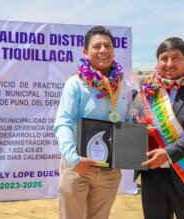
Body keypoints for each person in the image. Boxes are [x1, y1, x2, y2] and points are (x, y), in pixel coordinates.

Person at [53, 26, 133, 219]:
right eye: (97, 46)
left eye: (108, 45)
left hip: (109, 172)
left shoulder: (126, 87)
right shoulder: (75, 83)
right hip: (78, 168)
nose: (103, 50)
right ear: (85, 52)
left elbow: (129, 122)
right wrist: (74, 159)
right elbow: (63, 122)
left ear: (114, 51)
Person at [134, 37, 184, 219]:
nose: (169, 64)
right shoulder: (146, 90)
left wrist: (168, 153)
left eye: (176, 58)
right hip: (152, 175)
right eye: (164, 58)